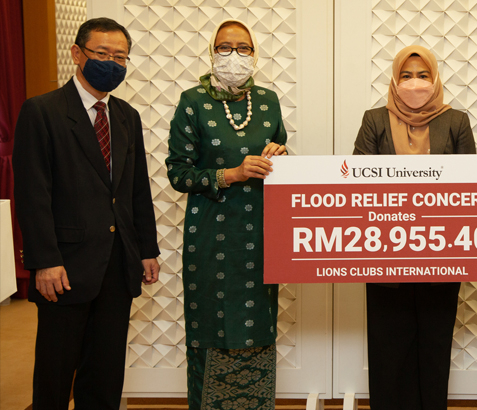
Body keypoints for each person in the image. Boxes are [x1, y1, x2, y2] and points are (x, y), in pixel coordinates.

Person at [12, 17, 160, 409]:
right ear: (77, 54)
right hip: (64, 265)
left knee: (106, 370)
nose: (111, 63)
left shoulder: (127, 116)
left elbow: (136, 190)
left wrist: (147, 249)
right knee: (56, 371)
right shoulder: (41, 111)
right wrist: (44, 261)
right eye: (102, 54)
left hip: (117, 261)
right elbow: (32, 194)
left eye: (120, 57)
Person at [166, 19, 287, 410]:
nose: (234, 56)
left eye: (244, 48)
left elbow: (280, 156)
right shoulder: (192, 102)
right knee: (212, 325)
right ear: (212, 52)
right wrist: (229, 174)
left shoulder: (268, 101)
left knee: (258, 324)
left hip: (261, 236)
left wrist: (281, 157)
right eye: (225, 47)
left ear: (255, 55)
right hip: (211, 235)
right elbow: (178, 173)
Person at [352, 45, 475, 409]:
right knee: (389, 350)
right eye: (406, 75)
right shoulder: (374, 119)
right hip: (385, 260)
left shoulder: (456, 121)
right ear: (394, 79)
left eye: (423, 75)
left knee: (434, 349)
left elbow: (473, 188)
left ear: (435, 79)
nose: (415, 83)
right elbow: (357, 184)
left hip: (442, 258)